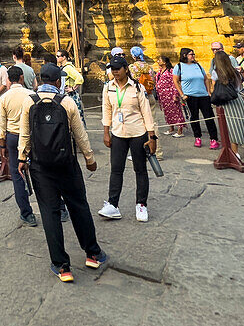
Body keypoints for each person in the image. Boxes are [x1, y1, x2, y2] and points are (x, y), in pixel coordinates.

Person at [17, 63, 108, 282]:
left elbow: (25, 134)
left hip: (40, 166)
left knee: (49, 213)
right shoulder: (67, 102)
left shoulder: (29, 102)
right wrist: (89, 159)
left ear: (40, 80)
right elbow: (80, 134)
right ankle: (92, 253)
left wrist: (22, 157)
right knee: (79, 206)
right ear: (59, 82)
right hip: (66, 164)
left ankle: (61, 266)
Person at [99, 57, 157, 221]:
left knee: (140, 169)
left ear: (126, 69)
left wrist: (151, 136)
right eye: (112, 69)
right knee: (116, 169)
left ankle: (141, 204)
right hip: (118, 133)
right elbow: (107, 110)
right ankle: (112, 204)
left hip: (138, 132)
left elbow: (146, 112)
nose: (115, 72)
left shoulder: (137, 88)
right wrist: (106, 132)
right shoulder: (108, 88)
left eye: (118, 68)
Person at [0, 66, 36, 226]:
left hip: (12, 137)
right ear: (21, 78)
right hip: (31, 137)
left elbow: (1, 124)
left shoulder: (4, 98)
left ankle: (27, 213)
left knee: (17, 173)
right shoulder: (32, 95)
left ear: (8, 80)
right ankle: (57, 207)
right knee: (38, 171)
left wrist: (2, 145)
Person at [210, 50, 244, 160]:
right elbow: (240, 84)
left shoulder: (216, 72)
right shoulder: (235, 71)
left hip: (226, 101)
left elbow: (214, 88)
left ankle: (235, 152)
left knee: (232, 127)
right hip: (238, 99)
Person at [172, 48, 219, 148]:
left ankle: (213, 138)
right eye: (191, 54)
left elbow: (206, 79)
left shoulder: (197, 65)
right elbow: (175, 81)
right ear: (184, 55)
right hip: (190, 96)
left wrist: (208, 91)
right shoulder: (179, 66)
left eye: (193, 54)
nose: (193, 56)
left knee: (209, 117)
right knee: (194, 117)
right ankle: (197, 137)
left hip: (203, 95)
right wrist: (181, 94)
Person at [154, 55, 185, 136]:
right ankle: (171, 128)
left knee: (176, 111)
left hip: (170, 94)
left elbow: (174, 83)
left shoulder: (171, 71)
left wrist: (175, 94)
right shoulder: (160, 71)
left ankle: (180, 130)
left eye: (159, 60)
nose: (158, 61)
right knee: (167, 112)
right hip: (163, 96)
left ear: (164, 62)